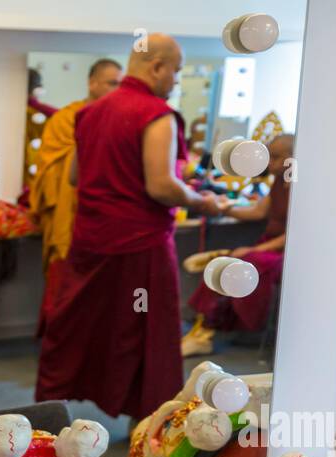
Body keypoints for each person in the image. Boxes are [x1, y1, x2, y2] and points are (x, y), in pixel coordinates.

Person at [35, 34, 227, 419]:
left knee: (79, 328)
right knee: (143, 334)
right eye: (175, 71)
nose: (176, 81)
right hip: (140, 244)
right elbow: (161, 186)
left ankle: (48, 414)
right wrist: (201, 200)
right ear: (157, 67)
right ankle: (149, 421)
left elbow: (74, 176)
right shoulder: (156, 114)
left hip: (90, 242)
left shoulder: (88, 113)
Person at [181, 133, 294, 357]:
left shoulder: (302, 186)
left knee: (246, 262)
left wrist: (253, 250)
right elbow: (258, 211)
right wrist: (222, 208)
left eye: (276, 157)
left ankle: (207, 332)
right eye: (268, 156)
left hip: (287, 252)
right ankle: (204, 329)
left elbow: (294, 234)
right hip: (268, 245)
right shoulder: (278, 183)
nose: (268, 162)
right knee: (226, 264)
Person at [30, 58, 123, 270]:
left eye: (121, 84)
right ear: (92, 83)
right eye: (112, 83)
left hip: (108, 217)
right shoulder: (65, 119)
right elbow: (51, 170)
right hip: (71, 210)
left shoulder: (121, 120)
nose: (118, 90)